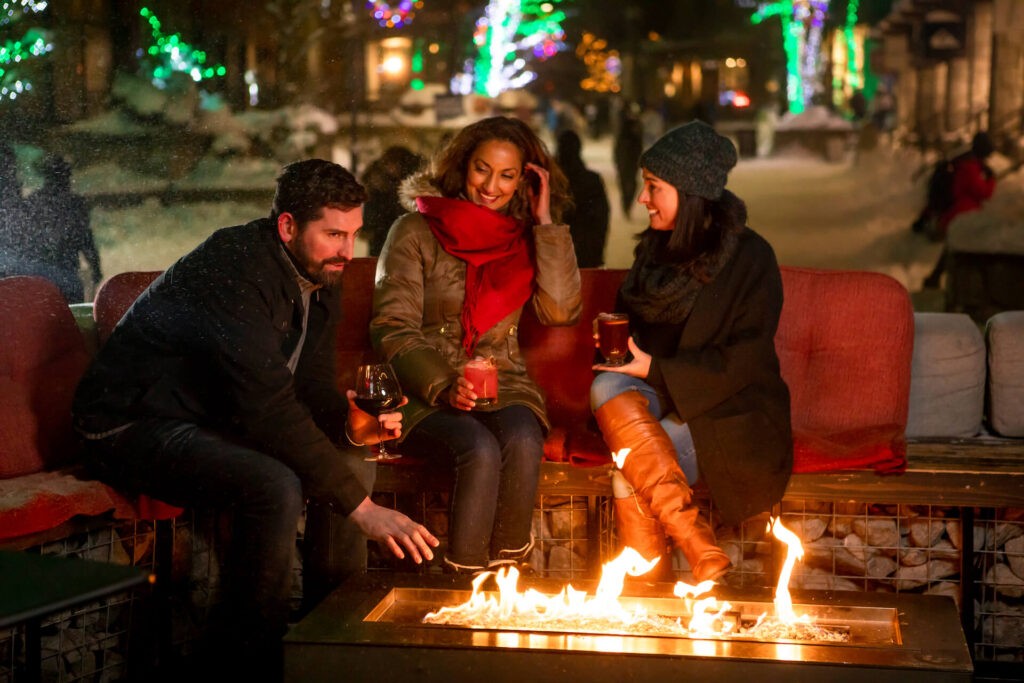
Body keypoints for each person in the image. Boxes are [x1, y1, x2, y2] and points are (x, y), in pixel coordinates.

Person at [71, 159, 438, 679]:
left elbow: (306, 386)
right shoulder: (234, 268)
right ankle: (251, 660)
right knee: (274, 485)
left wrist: (350, 422)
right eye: (333, 234)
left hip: (207, 414)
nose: (346, 251)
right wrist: (361, 509)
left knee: (351, 456)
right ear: (287, 225)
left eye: (354, 233)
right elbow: (264, 406)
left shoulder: (321, 272)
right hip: (129, 422)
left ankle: (329, 638)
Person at [370, 116, 581, 574]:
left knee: (524, 438)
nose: (491, 186)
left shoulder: (527, 237)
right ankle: (463, 579)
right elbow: (392, 326)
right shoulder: (414, 230)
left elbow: (561, 311)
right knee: (479, 449)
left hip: (503, 382)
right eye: (482, 169)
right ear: (462, 166)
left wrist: (545, 223)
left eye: (507, 175)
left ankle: (508, 576)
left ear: (524, 179)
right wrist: (444, 384)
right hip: (424, 390)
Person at [589, 121, 792, 584]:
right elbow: (633, 340)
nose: (643, 199)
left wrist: (655, 369)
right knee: (605, 383)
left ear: (691, 191)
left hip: (725, 410)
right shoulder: (656, 251)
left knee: (631, 471)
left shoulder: (750, 258)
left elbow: (745, 359)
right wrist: (623, 354)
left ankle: (652, 586)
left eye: (653, 187)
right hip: (659, 394)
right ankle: (701, 549)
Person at [23, 154, 103, 302]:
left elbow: (24, 242)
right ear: (65, 177)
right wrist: (96, 268)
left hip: (38, 277)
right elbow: (86, 240)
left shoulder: (32, 202)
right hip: (67, 277)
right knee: (69, 319)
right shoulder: (74, 204)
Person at [923, 131, 997, 289]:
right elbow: (983, 192)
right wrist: (991, 180)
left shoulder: (966, 163)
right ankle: (952, 283)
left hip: (958, 213)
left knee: (953, 249)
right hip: (962, 214)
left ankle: (936, 279)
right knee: (961, 252)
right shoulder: (970, 167)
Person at [556, 129, 610, 268]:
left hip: (555, 255)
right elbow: (601, 219)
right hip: (586, 256)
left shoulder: (550, 180)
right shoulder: (591, 180)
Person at [362, 145, 424, 257]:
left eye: (396, 163)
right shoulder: (377, 187)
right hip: (382, 243)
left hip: (401, 243)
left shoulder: (407, 190)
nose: (392, 167)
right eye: (389, 163)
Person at [613, 105, 644, 219]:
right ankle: (626, 207)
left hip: (630, 163)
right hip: (626, 163)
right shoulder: (626, 134)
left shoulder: (634, 134)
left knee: (630, 186)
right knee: (627, 186)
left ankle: (627, 207)